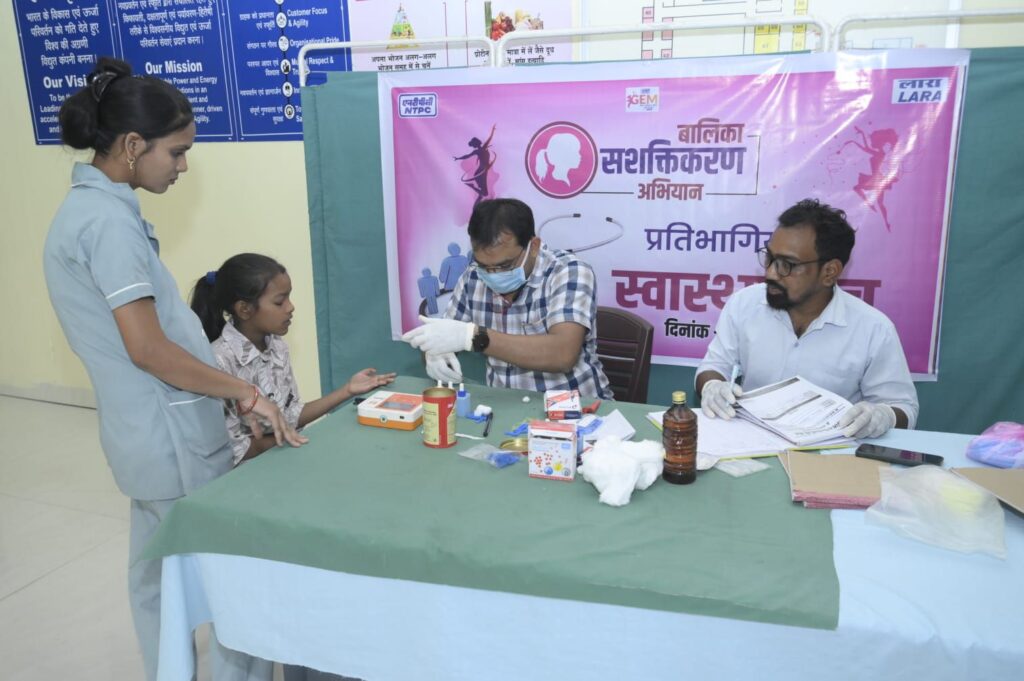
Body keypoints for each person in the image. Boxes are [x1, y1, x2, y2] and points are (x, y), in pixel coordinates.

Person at [43, 58, 305, 681]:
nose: (183, 167)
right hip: (172, 437)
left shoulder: (90, 211)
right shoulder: (107, 224)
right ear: (134, 146)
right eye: (177, 152)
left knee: (156, 580)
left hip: (146, 436)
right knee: (228, 581)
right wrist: (246, 392)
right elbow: (149, 349)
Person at [695, 199, 919, 439]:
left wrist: (882, 416)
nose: (770, 272)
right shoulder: (744, 305)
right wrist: (712, 387)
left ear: (829, 272)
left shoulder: (873, 328)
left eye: (788, 265)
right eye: (769, 257)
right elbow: (713, 367)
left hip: (831, 452)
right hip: (749, 443)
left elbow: (904, 407)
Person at [191, 253, 396, 465]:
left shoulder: (277, 346)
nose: (290, 307)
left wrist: (347, 390)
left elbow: (290, 416)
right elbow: (235, 450)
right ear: (244, 309)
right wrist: (293, 439)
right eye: (280, 302)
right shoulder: (218, 361)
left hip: (283, 459)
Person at [401, 198, 613, 399]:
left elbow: (562, 355)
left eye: (504, 266)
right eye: (484, 266)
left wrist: (474, 337)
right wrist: (434, 354)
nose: (493, 274)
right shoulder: (473, 277)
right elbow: (446, 335)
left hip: (576, 406)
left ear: (533, 247)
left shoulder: (568, 271)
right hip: (505, 405)